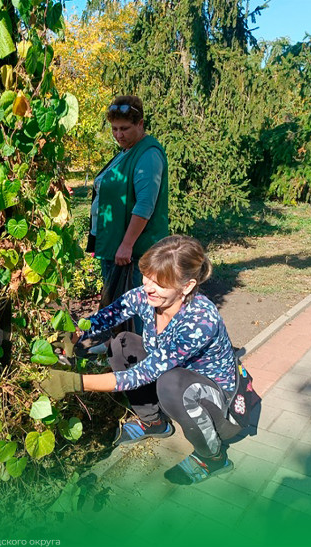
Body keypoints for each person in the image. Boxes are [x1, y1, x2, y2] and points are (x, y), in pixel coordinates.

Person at [42, 235, 243, 485]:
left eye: (159, 283)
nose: (148, 287)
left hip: (213, 396)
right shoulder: (147, 297)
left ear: (187, 286)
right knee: (122, 343)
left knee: (171, 384)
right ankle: (155, 423)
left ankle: (213, 458)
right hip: (171, 375)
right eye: (146, 277)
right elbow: (109, 316)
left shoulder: (200, 321)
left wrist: (73, 383)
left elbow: (143, 374)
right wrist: (74, 334)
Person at [86, 95, 169, 331]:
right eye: (114, 129)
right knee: (117, 300)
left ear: (140, 124)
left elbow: (145, 205)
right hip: (115, 245)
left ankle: (139, 355)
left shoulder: (147, 154)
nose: (118, 134)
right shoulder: (127, 151)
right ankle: (116, 344)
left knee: (138, 306)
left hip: (135, 251)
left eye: (125, 128)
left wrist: (127, 244)